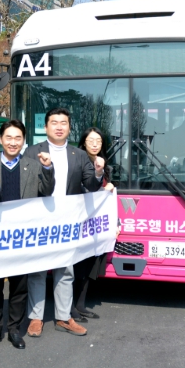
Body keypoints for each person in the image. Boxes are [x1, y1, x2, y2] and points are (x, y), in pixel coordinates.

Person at [25, 108, 104, 338]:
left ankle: (63, 317)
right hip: (39, 221)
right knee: (38, 271)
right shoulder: (32, 152)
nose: (59, 127)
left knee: (65, 271)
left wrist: (98, 173)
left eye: (63, 123)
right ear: (46, 127)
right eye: (54, 122)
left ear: (69, 127)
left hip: (67, 222)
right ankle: (36, 318)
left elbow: (91, 185)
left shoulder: (78, 155)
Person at [0, 120, 54, 351]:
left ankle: (14, 328)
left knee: (19, 285)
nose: (13, 142)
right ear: (0, 139)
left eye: (18, 138)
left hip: (22, 236)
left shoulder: (33, 165)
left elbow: (46, 191)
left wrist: (47, 168)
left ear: (24, 141)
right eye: (9, 137)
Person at [71, 127, 116, 322]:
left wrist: (114, 222)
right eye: (91, 140)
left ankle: (80, 305)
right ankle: (70, 307)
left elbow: (109, 200)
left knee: (90, 265)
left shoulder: (106, 166)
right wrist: (102, 190)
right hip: (79, 221)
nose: (95, 144)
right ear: (83, 142)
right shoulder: (77, 163)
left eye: (99, 141)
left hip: (96, 224)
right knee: (77, 266)